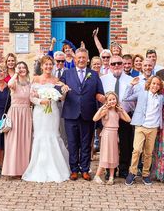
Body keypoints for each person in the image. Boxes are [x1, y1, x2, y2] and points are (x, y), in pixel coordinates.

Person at [23, 56, 71, 183]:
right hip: (39, 112)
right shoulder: (36, 79)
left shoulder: (56, 80)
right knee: (40, 136)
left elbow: (61, 98)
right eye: (46, 64)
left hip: (53, 111)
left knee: (54, 135)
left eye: (51, 64)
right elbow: (31, 97)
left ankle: (57, 167)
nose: (49, 67)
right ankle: (39, 167)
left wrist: (64, 91)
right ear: (42, 66)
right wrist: (41, 101)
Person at [124, 75, 164, 186]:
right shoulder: (142, 93)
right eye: (153, 83)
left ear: (160, 87)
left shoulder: (161, 97)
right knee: (137, 150)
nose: (155, 86)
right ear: (149, 84)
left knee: (148, 153)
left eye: (158, 84)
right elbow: (126, 98)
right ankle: (132, 172)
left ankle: (145, 174)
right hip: (141, 125)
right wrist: (130, 85)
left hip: (153, 127)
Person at [60, 48, 105, 180]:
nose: (81, 60)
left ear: (87, 59)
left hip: (88, 114)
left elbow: (99, 92)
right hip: (71, 114)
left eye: (83, 58)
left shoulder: (94, 74)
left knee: (86, 144)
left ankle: (85, 169)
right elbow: (58, 85)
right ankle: (74, 169)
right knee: (72, 143)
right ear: (75, 59)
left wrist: (102, 98)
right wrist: (62, 88)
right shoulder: (67, 73)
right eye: (79, 58)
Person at [101, 55, 135, 178]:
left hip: (124, 115)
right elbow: (100, 97)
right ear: (109, 65)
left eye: (119, 63)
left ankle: (124, 168)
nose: (116, 66)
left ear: (123, 64)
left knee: (125, 144)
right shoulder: (103, 79)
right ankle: (110, 169)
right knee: (110, 144)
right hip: (110, 117)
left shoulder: (130, 80)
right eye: (113, 64)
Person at [1, 62, 32, 178]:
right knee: (13, 142)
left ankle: (24, 170)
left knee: (25, 141)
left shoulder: (30, 84)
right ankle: (11, 170)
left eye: (24, 67)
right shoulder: (14, 83)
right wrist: (16, 74)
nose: (21, 69)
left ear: (27, 70)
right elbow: (9, 84)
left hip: (26, 113)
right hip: (14, 113)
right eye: (19, 67)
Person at [93, 92, 131, 185]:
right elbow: (95, 118)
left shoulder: (118, 111)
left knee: (113, 156)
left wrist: (122, 110)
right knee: (105, 155)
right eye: (110, 99)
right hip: (107, 134)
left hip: (114, 134)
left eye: (113, 99)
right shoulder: (105, 110)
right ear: (106, 101)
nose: (112, 101)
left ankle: (111, 177)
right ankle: (97, 176)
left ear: (116, 100)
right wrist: (102, 107)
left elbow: (128, 119)